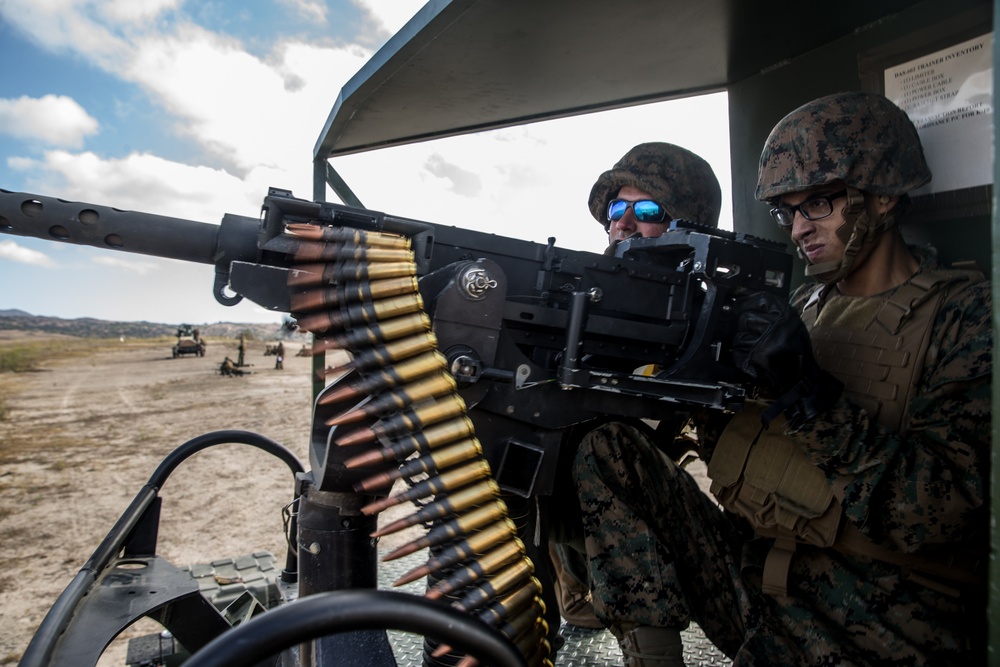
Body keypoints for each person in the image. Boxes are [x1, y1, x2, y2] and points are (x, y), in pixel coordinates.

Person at [571, 91, 991, 666]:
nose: (797, 229)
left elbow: (938, 516)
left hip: (880, 626)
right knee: (606, 446)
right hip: (761, 591)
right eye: (787, 211)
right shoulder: (802, 307)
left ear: (885, 195)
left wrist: (808, 395)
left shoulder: (966, 315)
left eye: (818, 204)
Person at [547, 142, 723, 633]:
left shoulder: (707, 320)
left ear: (688, 227)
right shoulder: (582, 294)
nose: (622, 223)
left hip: (653, 543)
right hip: (574, 549)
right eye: (616, 209)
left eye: (646, 211)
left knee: (609, 450)